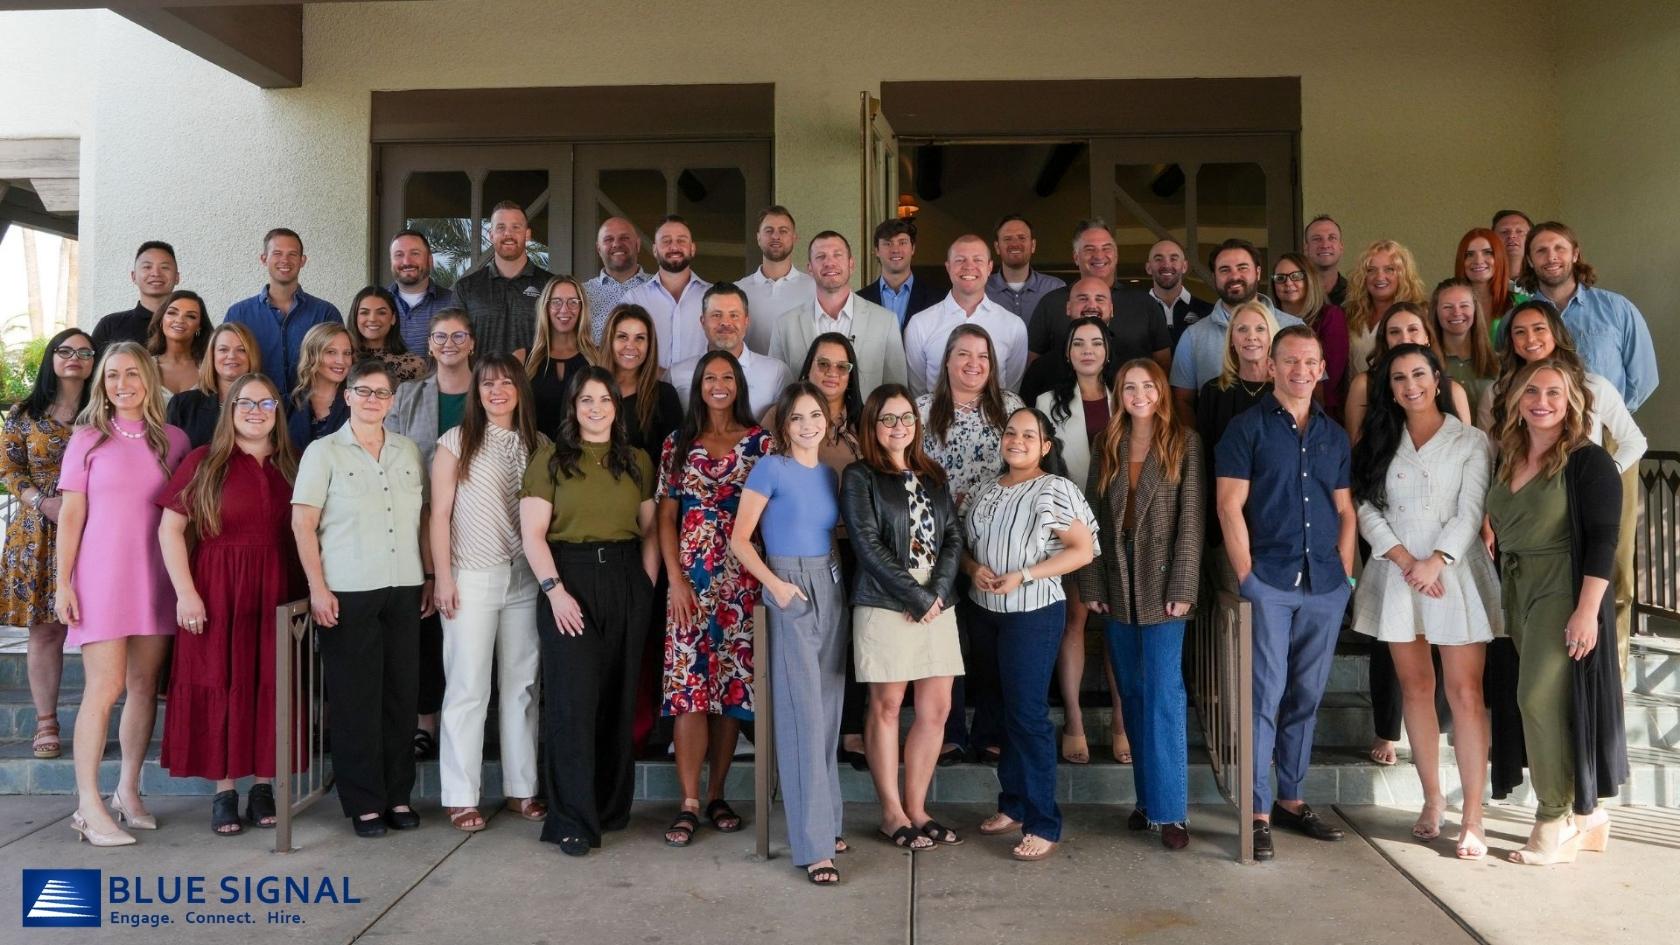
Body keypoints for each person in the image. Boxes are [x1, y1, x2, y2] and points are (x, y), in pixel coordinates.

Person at [1348, 343, 1499, 859]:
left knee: (1465, 693)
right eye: (1397, 378)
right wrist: (1403, 558)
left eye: (1418, 374)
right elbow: (1364, 505)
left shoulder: (1470, 440)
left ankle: (1473, 815)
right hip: (1397, 573)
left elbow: (1471, 507)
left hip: (1453, 574)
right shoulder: (1378, 439)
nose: (1409, 385)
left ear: (1437, 379)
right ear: (1388, 388)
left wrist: (1435, 560)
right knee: (1415, 688)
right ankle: (1432, 801)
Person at [1215, 326, 1357, 861]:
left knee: (1307, 695)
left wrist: (1344, 575)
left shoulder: (1333, 434)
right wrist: (1247, 576)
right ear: (1272, 366)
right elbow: (1229, 506)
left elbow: (1345, 510)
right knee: (1265, 696)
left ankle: (1291, 801)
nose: (1301, 371)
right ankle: (1256, 811)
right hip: (1269, 582)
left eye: (1311, 362)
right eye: (1290, 361)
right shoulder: (1244, 428)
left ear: (1323, 369)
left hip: (1324, 585)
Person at [1485, 359, 1626, 865]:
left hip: (1562, 590)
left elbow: (1604, 542)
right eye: (1531, 391)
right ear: (1518, 399)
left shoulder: (1589, 461)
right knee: (1556, 706)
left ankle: (1553, 817)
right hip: (1517, 590)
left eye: (1553, 393)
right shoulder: (1509, 455)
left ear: (1571, 403)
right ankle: (1590, 819)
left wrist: (1588, 611)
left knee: (1536, 700)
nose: (1541, 401)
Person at [54, 342, 191, 845]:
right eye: (112, 375)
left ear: (149, 380)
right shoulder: (87, 439)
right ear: (102, 383)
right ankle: (87, 804)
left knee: (142, 684)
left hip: (154, 577)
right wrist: (62, 581)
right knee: (104, 687)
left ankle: (127, 790)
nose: (122, 383)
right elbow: (71, 515)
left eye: (132, 373)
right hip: (101, 577)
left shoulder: (173, 441)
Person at [520, 367, 659, 855]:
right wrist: (555, 591)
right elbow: (533, 535)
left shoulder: (638, 460)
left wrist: (645, 587)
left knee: (619, 699)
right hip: (569, 578)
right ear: (573, 408)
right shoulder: (550, 460)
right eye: (586, 400)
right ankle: (572, 819)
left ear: (615, 407)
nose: (596, 408)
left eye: (604, 399)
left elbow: (650, 532)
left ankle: (610, 807)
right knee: (573, 704)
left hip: (625, 579)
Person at [156, 372, 301, 835]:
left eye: (266, 404)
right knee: (220, 679)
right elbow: (170, 529)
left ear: (278, 413)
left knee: (268, 682)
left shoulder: (293, 465)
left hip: (277, 587)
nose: (255, 412)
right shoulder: (205, 461)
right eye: (245, 403)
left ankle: (263, 787)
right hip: (216, 588)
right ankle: (224, 791)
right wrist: (186, 593)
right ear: (230, 409)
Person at [291, 360, 426, 839]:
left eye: (382, 393)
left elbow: (421, 521)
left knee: (400, 698)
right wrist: (317, 588)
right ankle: (364, 802)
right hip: (348, 591)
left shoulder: (408, 451)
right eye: (364, 391)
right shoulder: (323, 452)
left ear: (393, 401)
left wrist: (428, 575)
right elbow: (303, 523)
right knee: (356, 701)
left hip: (404, 587)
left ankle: (397, 795)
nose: (373, 400)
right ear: (348, 395)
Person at [1081, 359, 1204, 850]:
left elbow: (1191, 519)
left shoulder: (1184, 443)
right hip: (1115, 580)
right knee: (1130, 692)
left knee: (1164, 696)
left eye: (1147, 386)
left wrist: (1184, 585)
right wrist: (1091, 584)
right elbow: (1089, 516)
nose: (1138, 394)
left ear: (1161, 391)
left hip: (1163, 585)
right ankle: (1145, 801)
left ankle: (1172, 812)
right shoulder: (1105, 443)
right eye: (1128, 387)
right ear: (1118, 394)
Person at [966, 406, 1099, 862]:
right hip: (985, 612)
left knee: (1027, 716)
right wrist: (973, 568)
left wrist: (1024, 574)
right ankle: (1014, 804)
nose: (1016, 440)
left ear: (1045, 446)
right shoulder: (988, 489)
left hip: (1032, 614)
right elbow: (968, 549)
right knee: (1000, 713)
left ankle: (1044, 822)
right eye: (1010, 432)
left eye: (1029, 435)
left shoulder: (1053, 488)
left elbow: (1082, 552)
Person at [1484, 300, 1647, 666]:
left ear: (1556, 333)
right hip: (1528, 517)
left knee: (1601, 591)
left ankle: (1606, 680)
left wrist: (1600, 478)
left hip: (1576, 508)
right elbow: (1498, 456)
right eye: (1519, 332)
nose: (1530, 339)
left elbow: (1635, 441)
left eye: (1539, 328)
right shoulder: (1505, 390)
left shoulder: (1593, 385)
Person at [730, 382, 847, 884]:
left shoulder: (828, 473)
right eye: (796, 417)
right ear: (783, 426)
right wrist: (776, 587)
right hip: (788, 585)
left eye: (814, 415)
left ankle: (827, 822)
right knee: (801, 715)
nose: (807, 425)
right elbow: (740, 539)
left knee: (827, 710)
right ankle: (814, 846)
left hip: (832, 583)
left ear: (826, 419)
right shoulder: (769, 467)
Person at [840, 385, 964, 853]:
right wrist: (913, 594)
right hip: (885, 602)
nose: (898, 427)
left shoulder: (933, 474)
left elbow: (952, 536)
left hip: (937, 605)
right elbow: (866, 545)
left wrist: (933, 594)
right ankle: (891, 813)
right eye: (888, 419)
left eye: (906, 418)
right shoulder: (859, 475)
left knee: (937, 709)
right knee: (887, 706)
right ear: (872, 425)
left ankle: (917, 809)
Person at [657, 350, 772, 846]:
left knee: (730, 693)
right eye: (710, 378)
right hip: (692, 585)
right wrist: (676, 580)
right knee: (689, 691)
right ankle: (687, 801)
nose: (718, 384)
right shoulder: (678, 444)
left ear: (739, 384)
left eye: (727, 377)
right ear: (698, 386)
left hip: (743, 583)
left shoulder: (761, 444)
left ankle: (717, 794)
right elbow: (665, 518)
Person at [431, 356, 548, 833]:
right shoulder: (455, 442)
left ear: (520, 388)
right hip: (470, 576)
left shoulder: (539, 445)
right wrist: (442, 577)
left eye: (505, 382)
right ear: (475, 391)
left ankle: (522, 788)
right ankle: (461, 794)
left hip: (524, 577)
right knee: (467, 687)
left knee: (521, 687)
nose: (496, 390)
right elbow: (437, 514)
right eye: (487, 383)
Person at [918, 325, 1024, 764]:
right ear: (946, 361)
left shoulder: (1012, 408)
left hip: (995, 539)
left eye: (982, 356)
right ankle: (951, 730)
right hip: (936, 540)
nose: (973, 364)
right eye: (963, 355)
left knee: (991, 637)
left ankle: (990, 728)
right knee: (946, 637)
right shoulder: (922, 409)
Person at [387, 309, 476, 760]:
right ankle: (425, 722)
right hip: (420, 524)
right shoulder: (407, 395)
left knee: (473, 630)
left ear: (472, 343)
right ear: (430, 344)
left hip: (480, 526)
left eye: (459, 335)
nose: (449, 343)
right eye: (440, 336)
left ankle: (471, 723)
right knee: (427, 626)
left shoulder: (489, 392)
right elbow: (387, 455)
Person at [0, 328, 93, 763]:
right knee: (46, 628)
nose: (74, 358)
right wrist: (43, 502)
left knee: (101, 627)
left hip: (97, 527)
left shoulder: (103, 410)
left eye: (84, 352)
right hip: (40, 530)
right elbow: (10, 468)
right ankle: (45, 722)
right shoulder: (24, 412)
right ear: (52, 358)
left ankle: (100, 716)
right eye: (65, 350)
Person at [1038, 317, 1127, 765]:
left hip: (1122, 525)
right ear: (1068, 352)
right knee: (1074, 620)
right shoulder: (1047, 402)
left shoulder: (1128, 395)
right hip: (1070, 526)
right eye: (1078, 343)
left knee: (1116, 624)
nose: (1088, 350)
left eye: (1096, 343)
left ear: (1107, 351)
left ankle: (1120, 720)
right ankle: (1073, 720)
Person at [777, 334, 867, 766]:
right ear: (807, 369)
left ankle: (850, 728)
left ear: (851, 376)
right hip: (809, 555)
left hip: (860, 548)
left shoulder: (865, 423)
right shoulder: (787, 420)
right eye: (823, 364)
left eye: (842, 367)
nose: (832, 373)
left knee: (852, 641)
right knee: (813, 652)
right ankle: (811, 733)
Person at [1520, 221, 1658, 414]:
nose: (1551, 257)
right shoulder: (1517, 318)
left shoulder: (1617, 308)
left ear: (1575, 254)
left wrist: (1613, 419)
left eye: (1560, 248)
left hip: (1606, 430)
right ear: (1529, 260)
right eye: (1541, 251)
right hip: (1538, 434)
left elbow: (1644, 377)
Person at [1170, 239, 1302, 415]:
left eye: (1242, 268)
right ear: (1214, 277)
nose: (1234, 276)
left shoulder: (1294, 328)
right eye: (1225, 270)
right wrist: (1199, 443)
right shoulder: (1193, 336)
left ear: (1258, 272)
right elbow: (1182, 402)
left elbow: (1314, 397)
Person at [769, 230, 908, 395]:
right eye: (821, 257)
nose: (830, 263)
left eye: (837, 255)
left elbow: (896, 392)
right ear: (810, 269)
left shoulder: (885, 321)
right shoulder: (785, 325)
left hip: (864, 420)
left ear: (851, 264)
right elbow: (777, 391)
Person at [904, 235, 1029, 396]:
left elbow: (1011, 389)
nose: (969, 266)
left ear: (989, 267)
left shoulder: (1014, 326)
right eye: (960, 260)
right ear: (948, 267)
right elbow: (918, 391)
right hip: (935, 419)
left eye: (977, 260)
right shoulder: (920, 324)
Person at [225, 227, 343, 394]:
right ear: (264, 259)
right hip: (255, 411)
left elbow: (339, 365)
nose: (285, 260)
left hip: (311, 413)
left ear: (303, 260)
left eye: (292, 254)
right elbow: (226, 370)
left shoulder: (325, 314)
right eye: (277, 253)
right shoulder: (238, 315)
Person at [1024, 275, 1168, 406]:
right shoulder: (1042, 369)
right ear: (1068, 308)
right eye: (1082, 298)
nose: (1092, 305)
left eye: (1100, 299)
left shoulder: (1134, 363)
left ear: (1111, 309)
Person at [1343, 302, 1473, 441]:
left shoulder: (1454, 391)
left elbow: (1468, 448)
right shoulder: (1364, 384)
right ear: (1385, 340)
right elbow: (1354, 448)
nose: (1404, 339)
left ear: (1427, 336)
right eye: (1394, 332)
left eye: (1413, 329)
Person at [669, 283, 789, 419]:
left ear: (746, 321)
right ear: (703, 321)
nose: (725, 322)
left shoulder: (777, 373)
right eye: (716, 315)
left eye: (734, 315)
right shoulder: (675, 375)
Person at [451, 201, 553, 360]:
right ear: (491, 235)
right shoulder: (466, 288)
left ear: (527, 234)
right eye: (501, 227)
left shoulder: (550, 285)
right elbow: (456, 344)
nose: (508, 234)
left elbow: (561, 341)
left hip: (535, 383)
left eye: (516, 227)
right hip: (482, 383)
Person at [595, 304, 683, 464]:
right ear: (609, 340)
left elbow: (674, 461)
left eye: (640, 338)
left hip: (645, 487)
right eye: (622, 336)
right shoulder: (584, 389)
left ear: (650, 345)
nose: (631, 346)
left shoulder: (665, 396)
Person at [624, 215, 712, 371]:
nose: (674, 247)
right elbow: (622, 351)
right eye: (666, 241)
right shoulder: (634, 299)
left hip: (700, 392)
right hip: (649, 391)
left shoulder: (713, 297)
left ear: (692, 248)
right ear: (654, 250)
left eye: (681, 240)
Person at [1271, 252, 1350, 419]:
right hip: (1274, 409)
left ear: (1310, 279)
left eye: (1296, 276)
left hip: (1320, 412)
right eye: (1280, 278)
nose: (1288, 283)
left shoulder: (1331, 316)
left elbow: (1329, 379)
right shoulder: (1268, 322)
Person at [1341, 240, 1427, 380]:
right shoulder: (1352, 313)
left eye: (1389, 269)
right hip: (1356, 395)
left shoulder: (1418, 314)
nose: (1380, 277)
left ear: (1403, 274)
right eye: (1371, 270)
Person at [167, 323, 261, 448]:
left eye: (241, 349)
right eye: (223, 350)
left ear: (251, 356)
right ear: (212, 355)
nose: (232, 356)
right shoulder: (183, 405)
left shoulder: (267, 405)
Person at [1023, 219, 1122, 335]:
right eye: (1089, 249)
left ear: (1116, 255)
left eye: (1106, 248)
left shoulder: (1142, 304)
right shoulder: (1051, 303)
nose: (1099, 256)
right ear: (1076, 257)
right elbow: (1033, 353)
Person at [739, 205, 816, 354]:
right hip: (752, 376)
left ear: (794, 238)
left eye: (783, 231)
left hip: (799, 376)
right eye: (769, 231)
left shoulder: (814, 288)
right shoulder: (739, 290)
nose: (776, 236)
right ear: (758, 237)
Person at [527, 275, 594, 436]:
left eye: (573, 302)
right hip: (534, 456)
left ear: (581, 308)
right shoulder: (524, 358)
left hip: (583, 456)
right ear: (545, 307)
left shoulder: (597, 358)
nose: (564, 309)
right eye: (556, 302)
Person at [1123, 237, 1215, 345]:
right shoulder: (1132, 313)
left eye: (1173, 258)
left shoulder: (1209, 312)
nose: (1166, 265)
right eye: (1158, 259)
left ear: (1184, 266)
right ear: (1148, 268)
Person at [91, 241, 182, 349]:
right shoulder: (110, 325)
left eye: (165, 267)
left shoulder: (190, 324)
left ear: (177, 277)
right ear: (133, 276)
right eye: (147, 267)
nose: (156, 273)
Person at [1429, 278, 1499, 410]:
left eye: (1464, 305)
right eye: (1447, 307)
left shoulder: (1498, 362)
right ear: (1436, 311)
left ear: (1475, 310)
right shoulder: (1426, 362)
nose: (1456, 312)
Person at [858, 218, 938, 331]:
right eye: (887, 243)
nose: (895, 249)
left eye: (902, 242)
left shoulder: (937, 299)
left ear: (913, 248)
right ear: (877, 250)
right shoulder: (859, 301)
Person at [985, 214, 1065, 326]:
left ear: (1033, 245)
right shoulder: (982, 289)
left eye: (1022, 238)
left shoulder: (1055, 288)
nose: (1015, 244)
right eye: (1007, 239)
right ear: (997, 247)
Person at [388, 229, 458, 355]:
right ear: (391, 262)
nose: (406, 262)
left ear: (430, 260)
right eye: (399, 255)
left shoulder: (453, 303)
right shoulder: (377, 305)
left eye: (415, 253)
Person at [285, 322, 353, 452]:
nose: (341, 361)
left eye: (347, 353)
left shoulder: (358, 402)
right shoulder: (287, 405)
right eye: (331, 352)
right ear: (311, 355)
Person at [583, 216, 651, 344]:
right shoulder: (581, 293)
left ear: (637, 244)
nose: (616, 244)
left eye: (624, 238)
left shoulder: (659, 286)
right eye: (608, 239)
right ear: (598, 249)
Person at [347, 286, 428, 384]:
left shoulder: (415, 366)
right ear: (355, 317)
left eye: (381, 313)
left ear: (393, 318)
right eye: (364, 312)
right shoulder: (344, 360)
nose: (372, 319)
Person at [1452, 228, 1521, 335]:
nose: (1478, 261)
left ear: (1499, 257)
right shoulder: (1449, 307)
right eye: (1470, 254)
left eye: (1487, 252)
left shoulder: (1522, 303)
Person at [147, 289, 209, 395]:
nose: (180, 320)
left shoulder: (209, 368)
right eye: (172, 313)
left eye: (190, 316)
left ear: (199, 326)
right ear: (161, 320)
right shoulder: (144, 366)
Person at [1304, 215, 1348, 308]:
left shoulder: (1357, 295)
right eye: (1317, 239)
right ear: (1306, 248)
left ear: (1341, 247)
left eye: (1332, 238)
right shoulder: (1295, 292)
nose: (1325, 245)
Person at [1491, 210, 1533, 294]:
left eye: (1519, 231)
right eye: (1504, 232)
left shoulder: (1544, 280)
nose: (1512, 236)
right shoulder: (1481, 280)